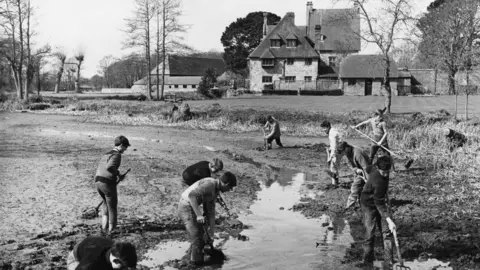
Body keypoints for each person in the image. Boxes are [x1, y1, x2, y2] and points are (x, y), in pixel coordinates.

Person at [177, 171, 237, 266]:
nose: (230, 190)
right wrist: (199, 215)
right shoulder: (210, 184)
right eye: (230, 187)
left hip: (191, 207)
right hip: (185, 206)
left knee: (202, 236)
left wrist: (211, 234)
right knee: (197, 237)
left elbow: (211, 214)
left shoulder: (215, 191)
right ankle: (194, 264)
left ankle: (191, 257)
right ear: (226, 183)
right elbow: (191, 196)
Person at [356, 156, 396, 270]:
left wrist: (363, 171)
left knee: (387, 233)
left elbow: (368, 168)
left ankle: (389, 262)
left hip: (380, 202)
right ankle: (367, 261)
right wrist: (389, 220)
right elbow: (379, 204)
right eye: (384, 172)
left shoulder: (376, 167)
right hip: (368, 204)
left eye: (388, 172)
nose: (386, 174)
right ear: (378, 168)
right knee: (370, 233)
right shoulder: (379, 181)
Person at [95, 135, 130, 235]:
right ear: (121, 145)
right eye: (126, 147)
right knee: (112, 208)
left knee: (105, 206)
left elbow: (103, 167)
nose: (125, 149)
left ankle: (103, 230)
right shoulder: (117, 155)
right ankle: (111, 232)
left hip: (98, 182)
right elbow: (110, 167)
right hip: (107, 183)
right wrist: (118, 174)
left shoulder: (106, 154)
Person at [66, 235, 137, 270]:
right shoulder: (90, 264)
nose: (125, 269)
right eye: (123, 268)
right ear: (115, 261)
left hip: (91, 245)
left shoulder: (117, 250)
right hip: (76, 258)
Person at [337, 141, 371, 210]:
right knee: (358, 189)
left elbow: (366, 168)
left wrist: (369, 181)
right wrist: (356, 169)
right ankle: (361, 204)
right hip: (359, 172)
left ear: (345, 149)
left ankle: (349, 207)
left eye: (343, 152)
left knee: (355, 188)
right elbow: (351, 165)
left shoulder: (358, 153)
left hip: (367, 171)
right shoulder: (348, 154)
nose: (343, 154)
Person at [320, 120, 344, 185]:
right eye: (322, 128)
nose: (323, 130)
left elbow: (334, 145)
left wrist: (331, 156)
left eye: (324, 128)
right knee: (333, 166)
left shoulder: (331, 134)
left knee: (333, 167)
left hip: (338, 150)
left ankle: (335, 183)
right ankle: (336, 181)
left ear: (328, 127)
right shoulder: (332, 130)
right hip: (340, 148)